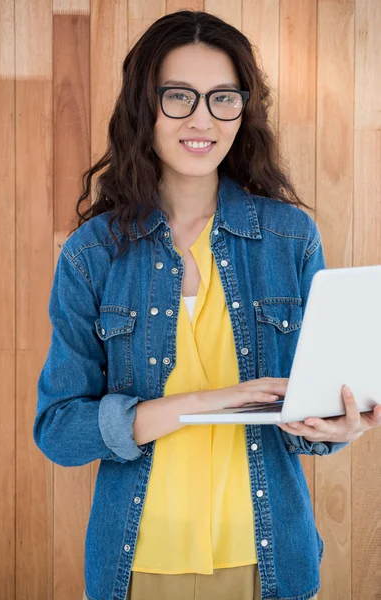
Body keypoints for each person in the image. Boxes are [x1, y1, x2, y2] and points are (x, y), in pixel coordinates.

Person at [33, 10, 380, 600]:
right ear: (145, 107)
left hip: (271, 560)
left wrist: (339, 425)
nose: (203, 120)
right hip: (136, 564)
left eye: (223, 98)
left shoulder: (291, 238)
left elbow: (304, 418)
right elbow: (60, 430)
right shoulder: (93, 253)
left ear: (244, 111)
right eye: (179, 97)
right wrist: (203, 402)